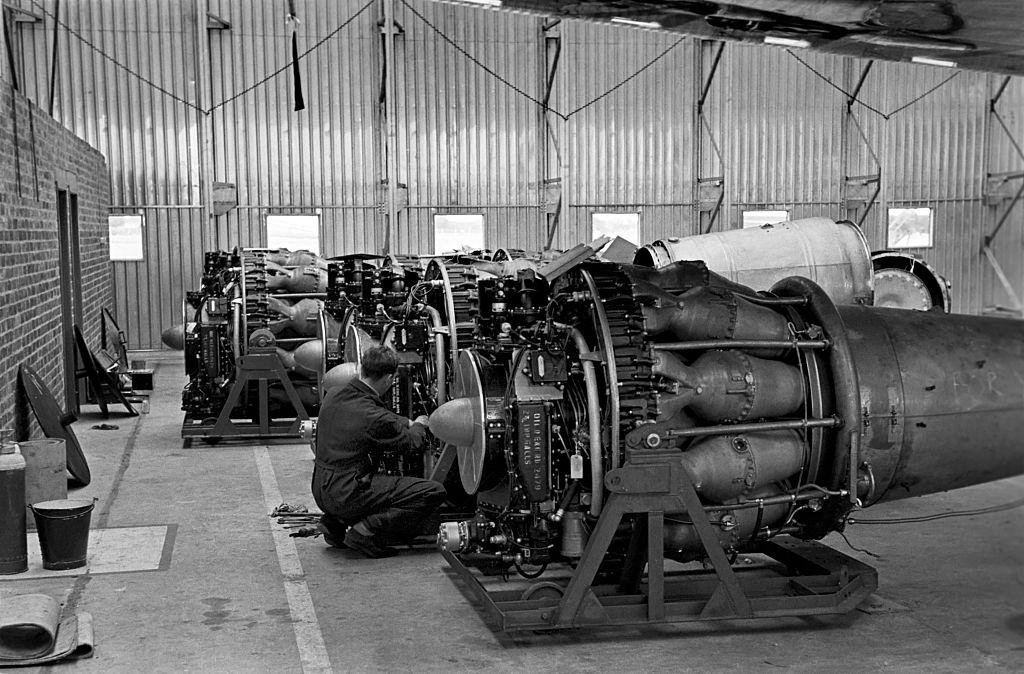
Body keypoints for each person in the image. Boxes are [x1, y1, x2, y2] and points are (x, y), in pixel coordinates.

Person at [311, 346, 446, 558]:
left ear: (362, 369)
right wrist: (420, 424)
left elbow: (379, 417)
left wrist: (405, 421)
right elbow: (412, 443)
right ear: (389, 379)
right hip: (346, 493)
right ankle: (364, 530)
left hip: (321, 489)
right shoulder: (374, 417)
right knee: (432, 491)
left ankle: (334, 523)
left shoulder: (335, 394)